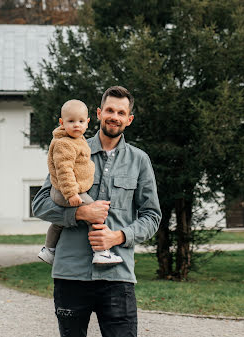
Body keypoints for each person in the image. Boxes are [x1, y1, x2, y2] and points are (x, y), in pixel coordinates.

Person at [32, 86, 162, 337]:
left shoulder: (139, 161)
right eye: (110, 110)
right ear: (99, 113)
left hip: (118, 275)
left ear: (129, 119)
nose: (115, 116)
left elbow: (152, 216)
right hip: (71, 274)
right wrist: (79, 214)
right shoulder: (68, 148)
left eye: (121, 112)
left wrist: (119, 237)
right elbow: (40, 204)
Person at [38, 99, 122, 266]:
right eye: (71, 121)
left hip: (68, 191)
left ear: (88, 122)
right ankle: (100, 252)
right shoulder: (64, 144)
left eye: (81, 121)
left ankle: (48, 250)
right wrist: (72, 194)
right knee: (96, 215)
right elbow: (64, 171)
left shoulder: (78, 140)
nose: (76, 125)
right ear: (62, 122)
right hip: (67, 192)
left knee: (58, 223)